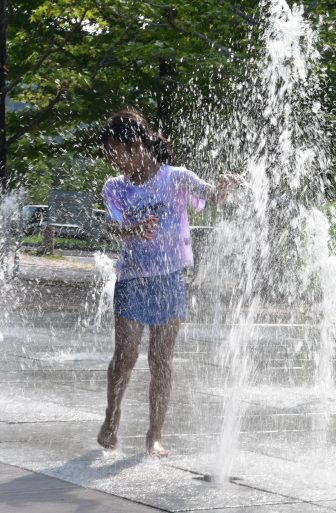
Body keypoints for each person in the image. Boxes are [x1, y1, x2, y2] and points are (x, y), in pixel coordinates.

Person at [97, 109, 242, 457]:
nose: (111, 161)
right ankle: (112, 415)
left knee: (161, 359)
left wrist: (224, 187)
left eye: (114, 151)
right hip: (132, 278)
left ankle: (155, 434)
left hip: (170, 277)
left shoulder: (175, 177)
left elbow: (212, 196)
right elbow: (112, 225)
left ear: (135, 146)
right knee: (126, 353)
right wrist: (131, 230)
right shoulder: (114, 187)